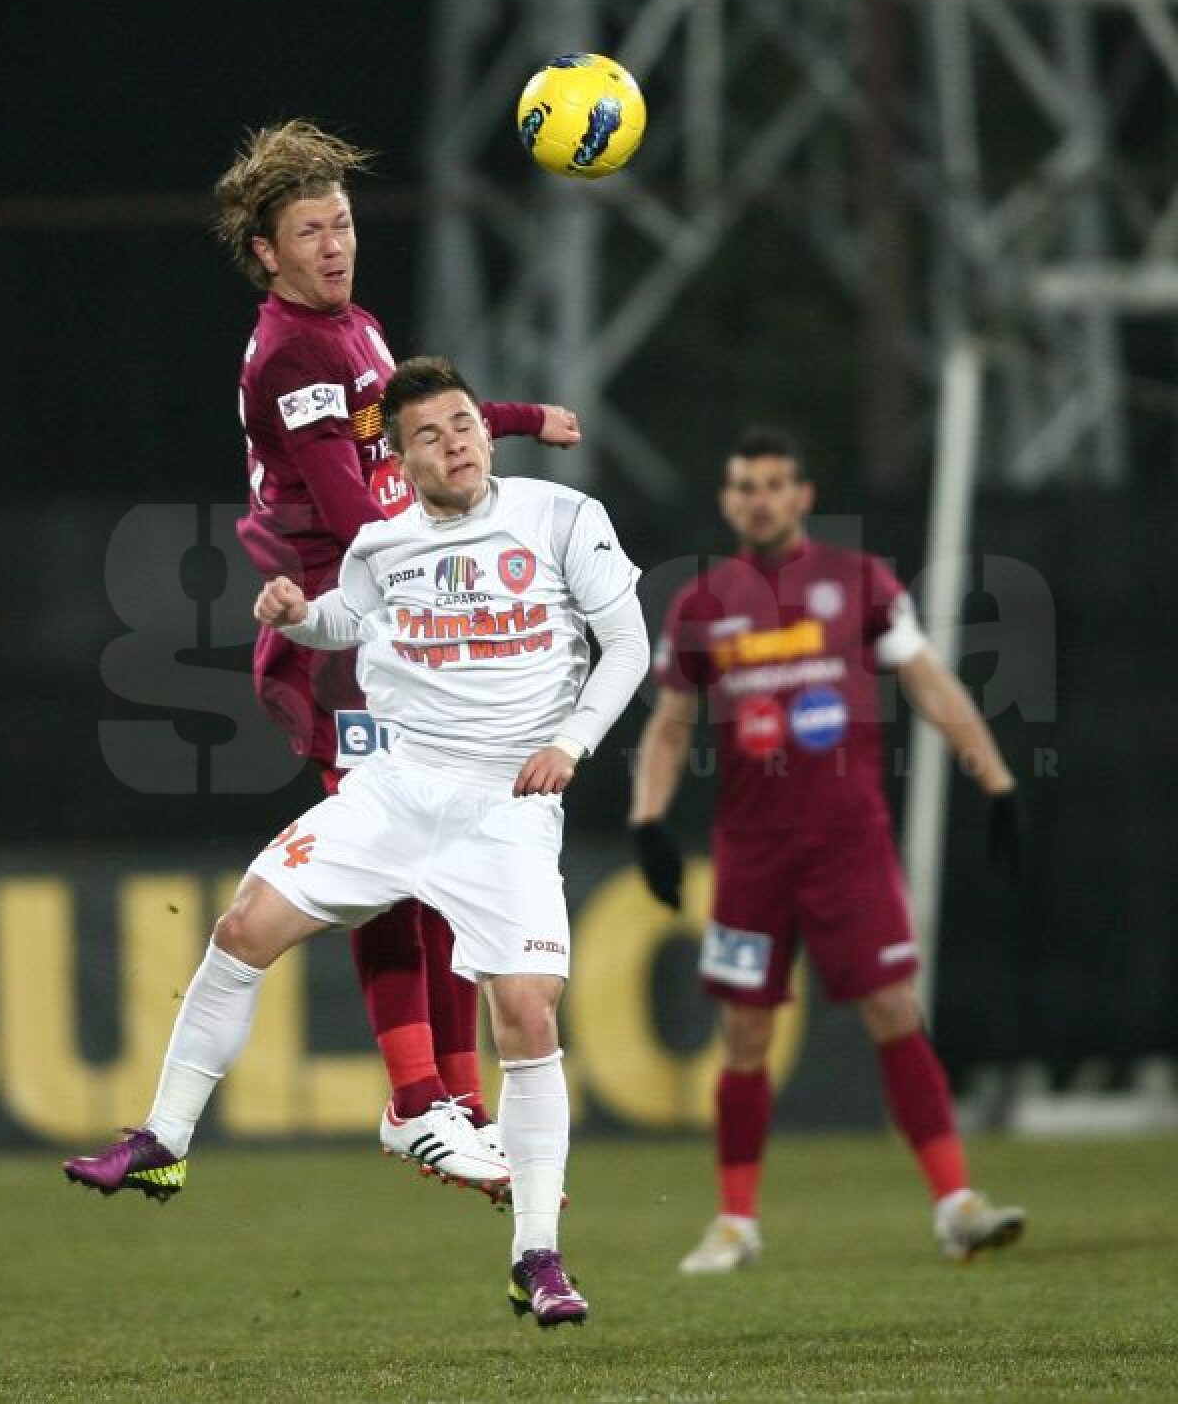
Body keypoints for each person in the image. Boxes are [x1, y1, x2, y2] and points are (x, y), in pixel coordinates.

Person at [65, 356, 650, 1327]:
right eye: (429, 434)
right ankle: (164, 1141)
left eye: (464, 423)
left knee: (528, 1019)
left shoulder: (559, 517)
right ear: (399, 457)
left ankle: (537, 1256)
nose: (455, 442)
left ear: (484, 432)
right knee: (244, 928)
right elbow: (346, 618)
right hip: (394, 793)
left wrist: (570, 742)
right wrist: (298, 611)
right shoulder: (381, 546)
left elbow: (627, 641)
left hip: (506, 802)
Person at [213, 119, 585, 1197]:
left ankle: (456, 1099)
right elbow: (356, 512)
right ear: (267, 253)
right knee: (386, 874)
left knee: (435, 863)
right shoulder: (293, 354)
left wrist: (510, 417)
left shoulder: (352, 329)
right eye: (310, 232)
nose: (335, 246)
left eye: (343, 224)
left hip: (383, 629)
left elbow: (398, 435)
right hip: (339, 635)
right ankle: (416, 1103)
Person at [629, 426, 1026, 1273]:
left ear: (803, 496)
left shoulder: (859, 583)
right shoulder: (701, 604)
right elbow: (669, 728)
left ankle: (956, 1204)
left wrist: (994, 779)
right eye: (746, 485)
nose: (761, 498)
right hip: (752, 854)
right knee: (742, 1034)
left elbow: (930, 684)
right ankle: (736, 1223)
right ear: (729, 500)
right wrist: (648, 821)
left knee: (893, 1012)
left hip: (849, 844)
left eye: (775, 483)